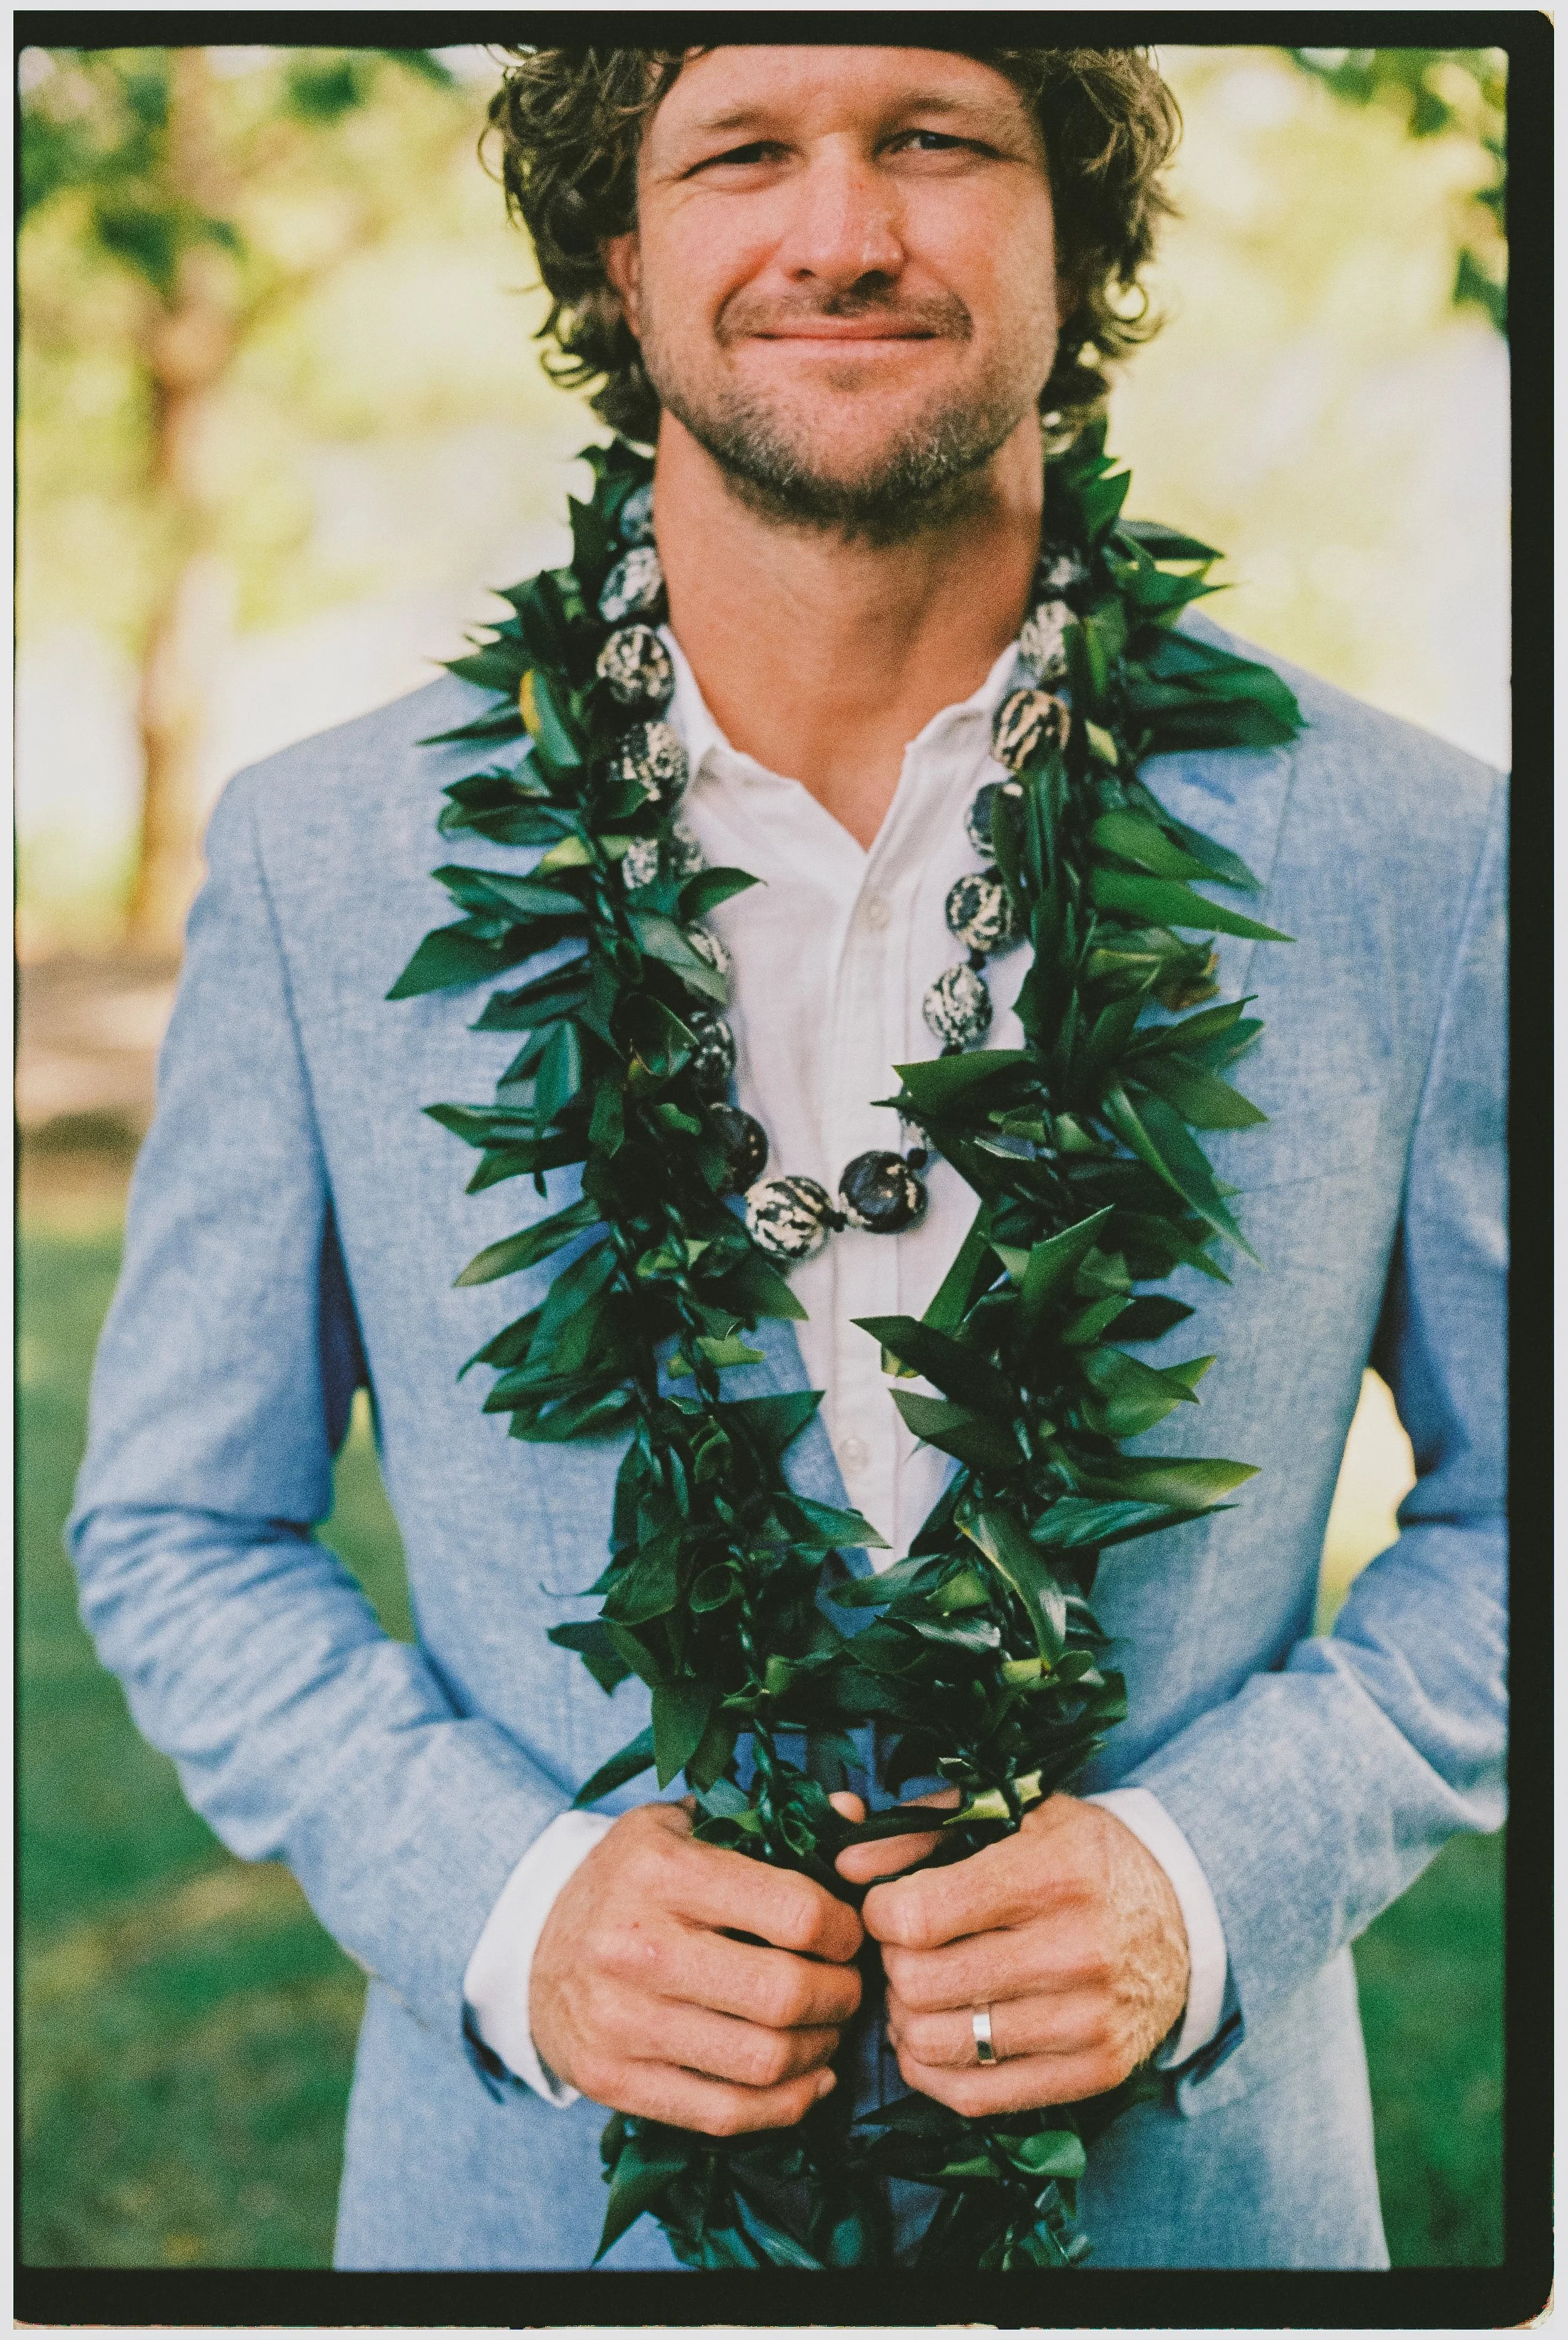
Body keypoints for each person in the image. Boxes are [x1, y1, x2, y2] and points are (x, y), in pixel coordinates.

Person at [68, 43, 1505, 2274]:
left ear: (1073, 231)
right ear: (624, 262)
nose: (840, 232)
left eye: (936, 143)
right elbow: (180, 1524)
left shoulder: (1412, 857)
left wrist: (1210, 1876)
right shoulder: (325, 858)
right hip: (535, 2255)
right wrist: (509, 1906)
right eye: (744, 155)